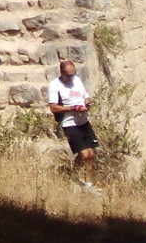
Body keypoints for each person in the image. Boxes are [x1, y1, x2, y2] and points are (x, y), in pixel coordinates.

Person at [48, 60, 100, 193]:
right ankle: (75, 177)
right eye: (68, 75)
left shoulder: (77, 80)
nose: (71, 77)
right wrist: (73, 108)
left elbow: (86, 97)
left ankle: (89, 183)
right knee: (83, 154)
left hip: (83, 122)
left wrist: (86, 104)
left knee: (91, 154)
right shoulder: (55, 85)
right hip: (69, 123)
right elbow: (53, 107)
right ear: (62, 73)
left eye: (73, 74)